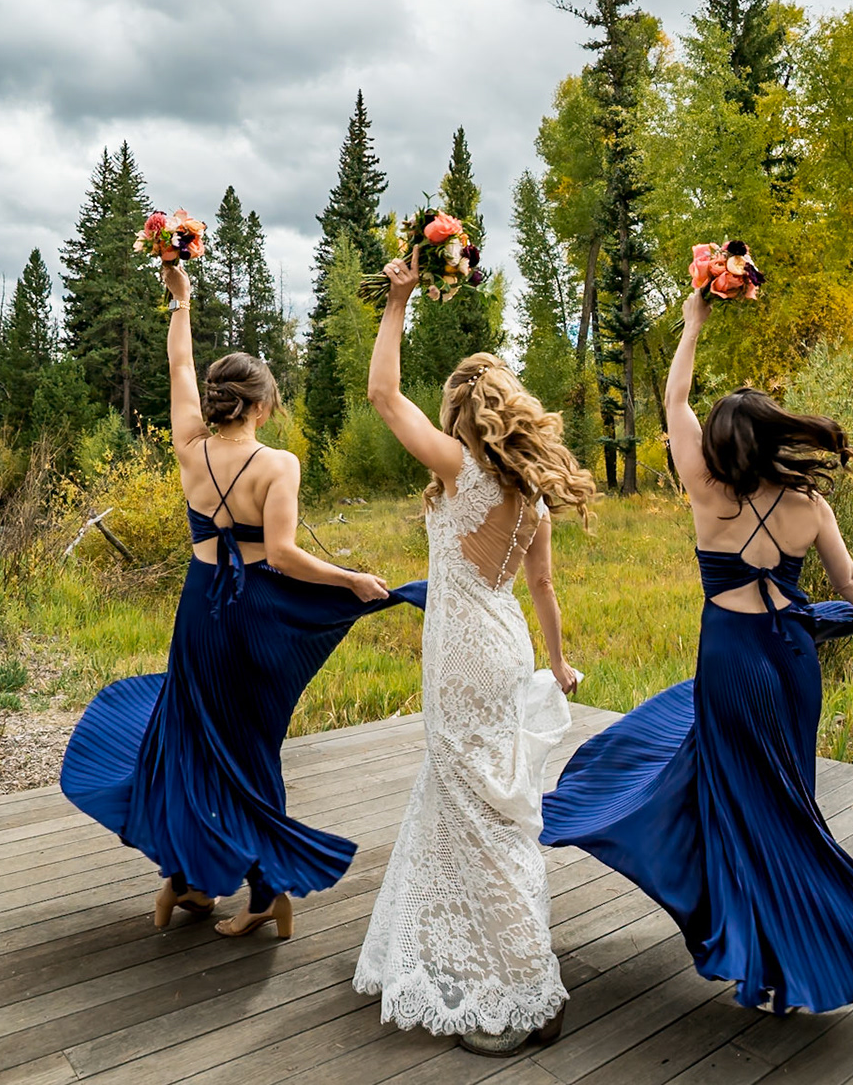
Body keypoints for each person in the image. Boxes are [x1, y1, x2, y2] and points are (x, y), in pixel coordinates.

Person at [541, 288, 853, 1013]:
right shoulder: (808, 506)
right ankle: (793, 951)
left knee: (738, 796)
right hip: (790, 658)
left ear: (723, 445)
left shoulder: (706, 493)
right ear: (772, 438)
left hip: (730, 658)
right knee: (789, 796)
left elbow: (675, 401)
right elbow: (849, 581)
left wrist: (692, 325)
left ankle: (754, 942)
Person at [59, 258, 423, 942]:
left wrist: (181, 301)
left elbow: (177, 368)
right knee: (252, 749)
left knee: (188, 739)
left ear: (218, 402)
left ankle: (186, 880)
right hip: (254, 612)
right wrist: (349, 578)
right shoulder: (278, 465)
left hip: (201, 610)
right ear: (262, 407)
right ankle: (261, 892)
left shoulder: (189, 449)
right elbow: (282, 556)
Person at [353, 245, 595, 1056]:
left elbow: (382, 395)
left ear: (460, 412)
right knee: (486, 804)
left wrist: (398, 301)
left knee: (478, 814)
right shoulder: (531, 499)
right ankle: (449, 955)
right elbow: (543, 590)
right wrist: (556, 663)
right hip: (505, 647)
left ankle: (522, 989)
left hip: (462, 657)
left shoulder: (462, 472)